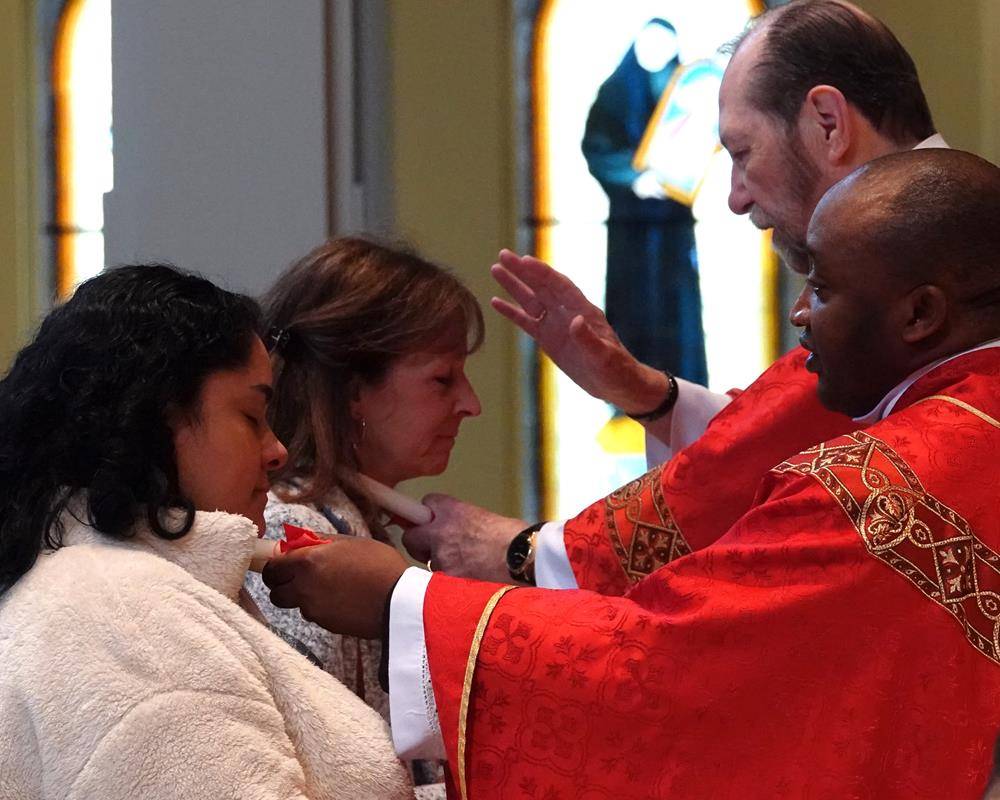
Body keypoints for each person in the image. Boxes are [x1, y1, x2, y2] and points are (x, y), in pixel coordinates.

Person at [265, 148, 1000, 797]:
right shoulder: (965, 435)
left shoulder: (887, 488)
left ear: (920, 315)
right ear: (351, 387)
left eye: (825, 290)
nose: (802, 314)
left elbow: (672, 666)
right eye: (441, 379)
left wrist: (406, 603)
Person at [403, 0, 950, 593]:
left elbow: (787, 454)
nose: (735, 198)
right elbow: (794, 439)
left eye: (742, 152)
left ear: (827, 122)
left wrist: (520, 553)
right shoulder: (927, 240)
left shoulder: (934, 259)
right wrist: (646, 394)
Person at [0, 265, 410, 799]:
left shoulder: (138, 586)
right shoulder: (124, 613)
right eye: (252, 416)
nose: (277, 449)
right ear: (156, 419)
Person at [242, 237, 482, 791]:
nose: (471, 404)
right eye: (443, 378)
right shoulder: (296, 531)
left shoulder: (349, 519)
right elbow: (307, 760)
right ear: (353, 391)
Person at [582, 17, 707, 384]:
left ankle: (683, 388)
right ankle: (628, 397)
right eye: (648, 45)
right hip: (630, 226)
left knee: (676, 309)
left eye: (663, 45)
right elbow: (598, 148)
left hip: (673, 225)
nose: (656, 53)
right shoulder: (615, 93)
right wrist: (635, 178)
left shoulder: (687, 92)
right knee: (633, 308)